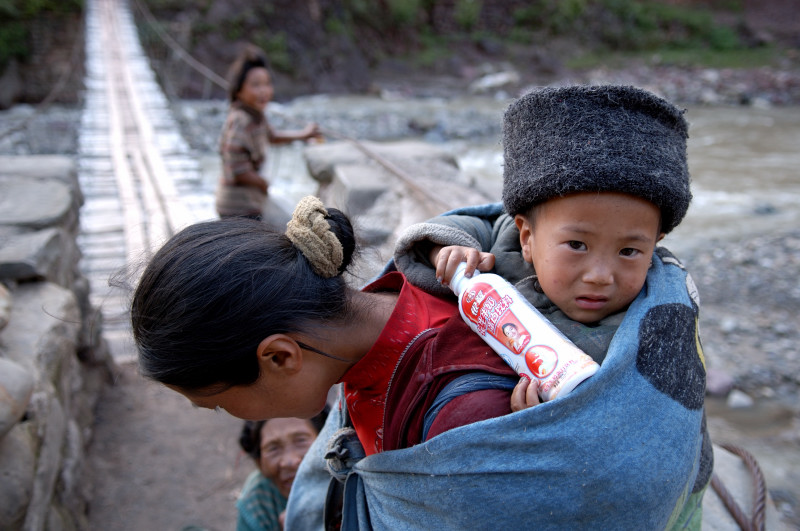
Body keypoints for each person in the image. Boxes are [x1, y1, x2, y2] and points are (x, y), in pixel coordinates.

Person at [131, 196, 517, 457]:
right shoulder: (395, 308)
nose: (225, 412)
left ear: (280, 357)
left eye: (216, 403)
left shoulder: (464, 418)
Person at [216, 44, 321, 219]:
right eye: (255, 85)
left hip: (247, 203)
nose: (263, 91)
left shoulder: (256, 116)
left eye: (267, 84)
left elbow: (272, 136)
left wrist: (303, 135)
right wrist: (263, 183)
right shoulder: (241, 120)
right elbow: (237, 168)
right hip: (238, 208)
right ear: (239, 91)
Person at [236, 410, 328, 531]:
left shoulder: (350, 480)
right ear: (259, 463)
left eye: (301, 440)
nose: (290, 462)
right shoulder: (255, 505)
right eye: (273, 448)